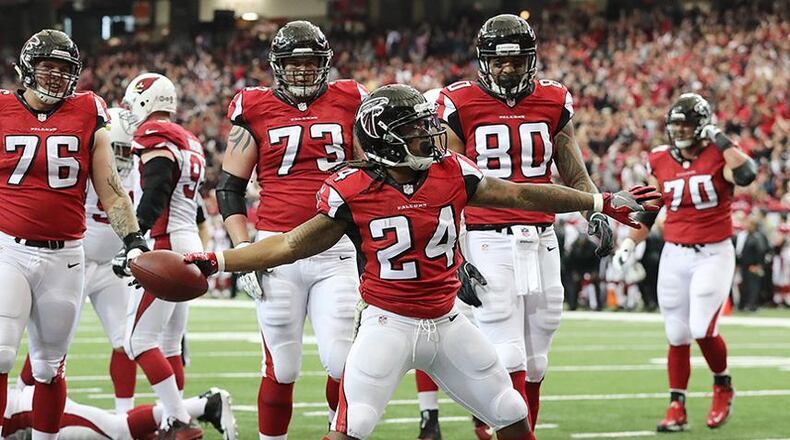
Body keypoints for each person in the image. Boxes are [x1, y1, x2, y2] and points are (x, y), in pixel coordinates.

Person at [185, 84, 660, 440]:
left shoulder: (452, 172)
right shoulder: (353, 190)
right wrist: (220, 259)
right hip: (387, 325)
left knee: (511, 411)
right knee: (354, 425)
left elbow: (521, 193)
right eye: (413, 130)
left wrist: (598, 201)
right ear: (385, 140)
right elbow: (289, 245)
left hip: (448, 321)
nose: (428, 135)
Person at [425, 14, 614, 438]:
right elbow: (447, 184)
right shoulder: (458, 101)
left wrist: (594, 211)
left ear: (532, 59)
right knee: (507, 352)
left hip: (542, 237)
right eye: (500, 61)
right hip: (486, 237)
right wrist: (455, 254)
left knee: (537, 359)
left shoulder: (553, 98)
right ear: (484, 61)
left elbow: (572, 169)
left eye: (517, 60)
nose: (508, 69)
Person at [217, 20, 367, 439]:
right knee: (281, 367)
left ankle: (338, 432)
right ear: (277, 65)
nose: (302, 70)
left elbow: (368, 172)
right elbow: (229, 187)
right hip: (275, 251)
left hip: (335, 247)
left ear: (325, 63)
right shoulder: (254, 106)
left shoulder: (349, 99)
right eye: (293, 62)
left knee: (343, 362)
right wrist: (243, 249)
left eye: (310, 62)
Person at [0, 29, 147, 440]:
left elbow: (111, 187)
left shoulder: (88, 110)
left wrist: (134, 240)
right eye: (47, 66)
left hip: (65, 256)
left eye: (63, 69)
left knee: (49, 367)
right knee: (1, 353)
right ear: (27, 68)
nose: (55, 76)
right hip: (8, 249)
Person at [612, 93, 757, 432]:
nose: (679, 131)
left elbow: (747, 174)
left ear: (702, 126)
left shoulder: (719, 153)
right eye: (675, 125)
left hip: (713, 252)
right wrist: (629, 243)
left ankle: (723, 383)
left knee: (702, 328)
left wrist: (719, 138)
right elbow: (651, 207)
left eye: (686, 124)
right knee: (676, 333)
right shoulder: (660, 158)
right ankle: (676, 405)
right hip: (674, 253)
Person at [117, 72, 206, 439]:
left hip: (164, 242)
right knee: (169, 343)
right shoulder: (189, 139)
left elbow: (156, 188)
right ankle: (174, 418)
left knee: (137, 341)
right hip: (188, 242)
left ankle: (179, 420)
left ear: (144, 100)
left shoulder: (156, 134)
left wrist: (133, 239)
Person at [83, 107, 140, 414]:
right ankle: (23, 406)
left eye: (129, 149)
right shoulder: (83, 162)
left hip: (112, 265)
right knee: (51, 345)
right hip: (76, 259)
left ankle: (124, 415)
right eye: (118, 148)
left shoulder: (139, 169)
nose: (124, 156)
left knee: (125, 341)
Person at [2, 385, 235, 440]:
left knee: (118, 430)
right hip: (25, 413)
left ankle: (205, 405)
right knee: (118, 426)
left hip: (33, 414)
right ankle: (203, 405)